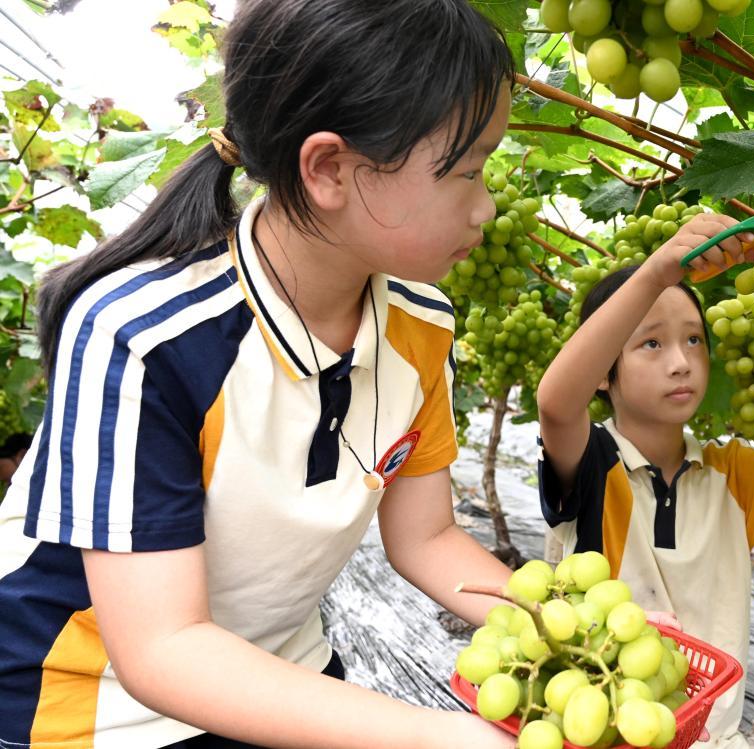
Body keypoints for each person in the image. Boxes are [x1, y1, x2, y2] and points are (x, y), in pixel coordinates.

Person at [0, 1, 520, 747]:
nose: (485, 207)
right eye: (466, 171)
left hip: (274, 665)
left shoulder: (421, 324)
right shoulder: (146, 336)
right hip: (91, 701)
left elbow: (427, 536)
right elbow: (163, 648)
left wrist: (575, 621)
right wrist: (442, 734)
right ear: (331, 169)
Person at [535, 217, 754, 749]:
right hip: (606, 729)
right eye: (650, 344)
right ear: (602, 370)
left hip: (713, 735)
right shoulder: (592, 460)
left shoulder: (734, 472)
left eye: (694, 339)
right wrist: (654, 275)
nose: (681, 362)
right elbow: (555, 403)